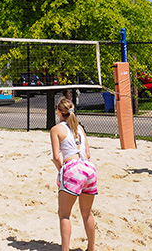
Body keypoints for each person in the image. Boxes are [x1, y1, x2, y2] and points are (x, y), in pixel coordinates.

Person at [50, 97, 97, 251]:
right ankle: (91, 248)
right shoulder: (80, 129)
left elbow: (57, 157)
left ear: (58, 111)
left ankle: (65, 249)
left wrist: (61, 171)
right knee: (87, 213)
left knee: (64, 215)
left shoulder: (56, 129)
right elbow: (88, 154)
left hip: (73, 168)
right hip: (89, 168)